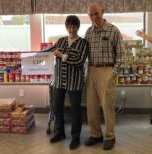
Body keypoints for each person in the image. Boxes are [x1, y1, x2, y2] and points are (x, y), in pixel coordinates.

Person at [42, 15, 89, 150]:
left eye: (74, 27)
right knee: (57, 107)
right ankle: (59, 133)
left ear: (78, 27)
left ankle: (75, 138)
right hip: (59, 81)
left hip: (75, 82)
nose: (71, 29)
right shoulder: (61, 41)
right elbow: (49, 52)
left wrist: (62, 55)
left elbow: (79, 61)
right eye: (69, 27)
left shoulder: (83, 43)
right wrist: (32, 57)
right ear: (66, 27)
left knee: (75, 110)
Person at [84, 3, 125, 150]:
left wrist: (112, 75)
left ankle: (109, 136)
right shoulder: (88, 32)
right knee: (91, 106)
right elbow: (84, 54)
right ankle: (95, 134)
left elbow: (121, 56)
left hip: (107, 71)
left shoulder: (113, 30)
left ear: (103, 12)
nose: (94, 17)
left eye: (96, 13)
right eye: (91, 15)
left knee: (107, 106)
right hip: (91, 71)